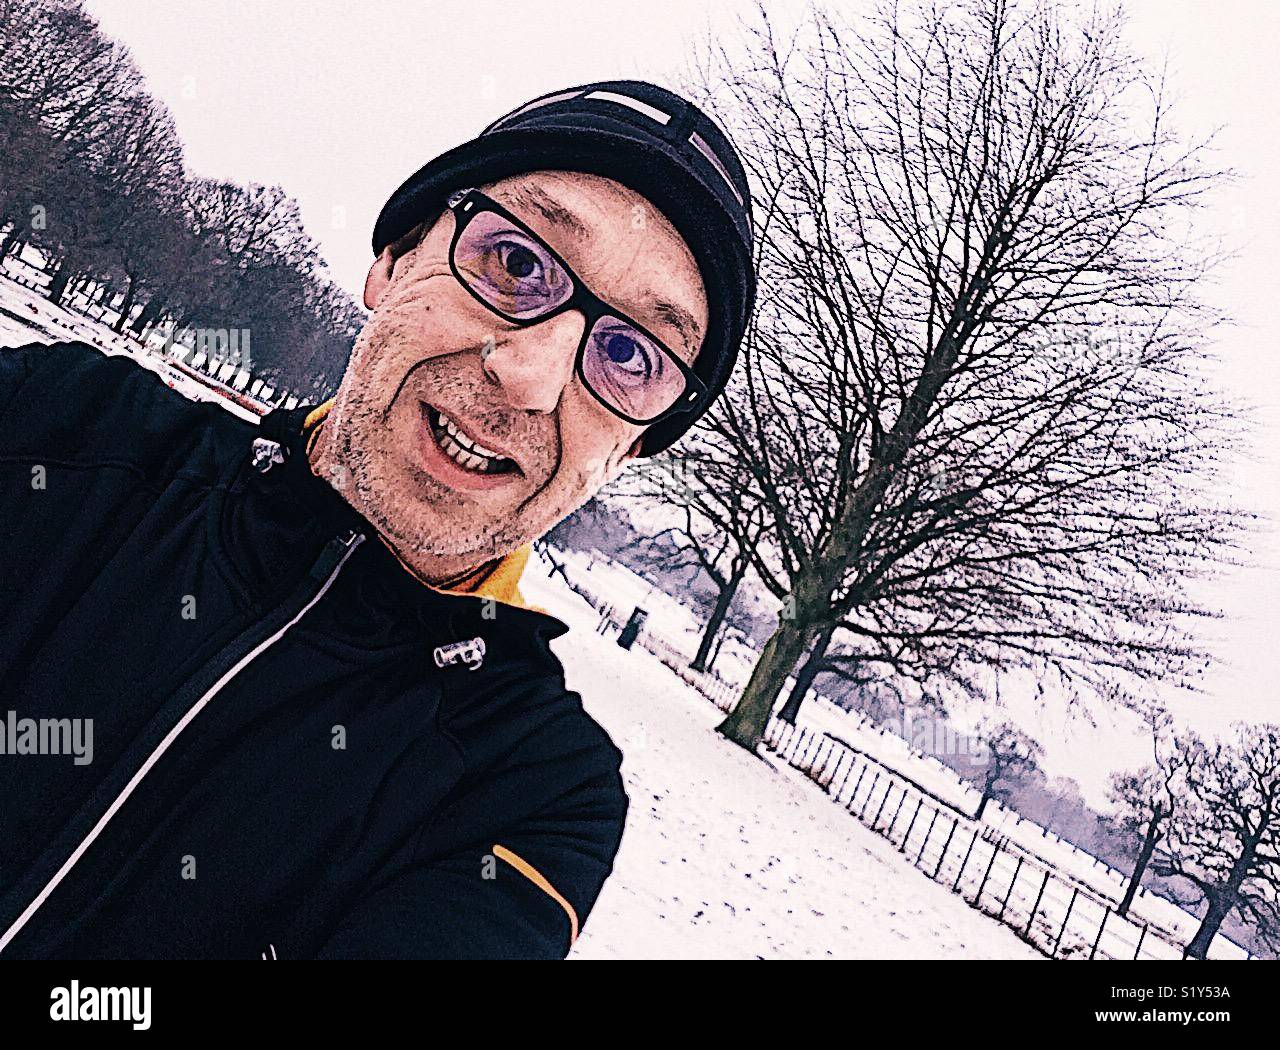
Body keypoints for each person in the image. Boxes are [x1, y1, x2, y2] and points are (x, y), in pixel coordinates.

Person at [0, 80, 755, 959]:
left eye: (629, 355)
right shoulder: (63, 430)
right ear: (395, 258)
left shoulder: (528, 793)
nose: (531, 379)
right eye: (516, 263)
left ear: (629, 449)